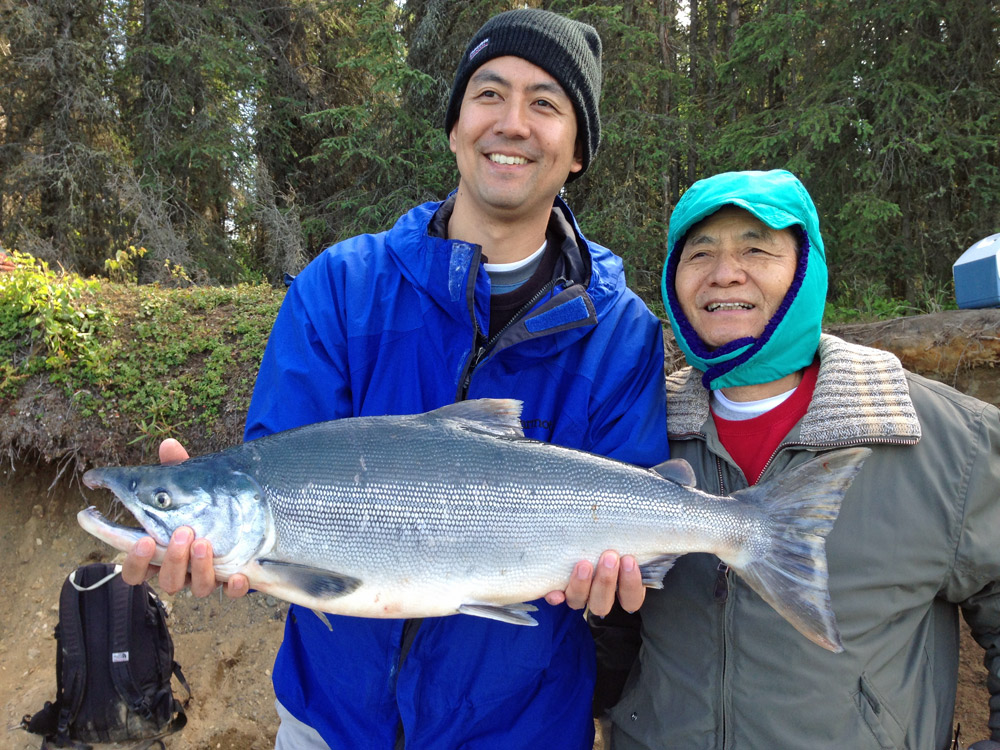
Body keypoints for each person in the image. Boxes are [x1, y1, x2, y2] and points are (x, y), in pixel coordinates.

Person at [122, 8, 669, 749]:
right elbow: (280, 466)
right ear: (453, 127)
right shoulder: (338, 288)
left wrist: (614, 592)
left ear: (577, 150)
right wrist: (211, 545)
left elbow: (631, 532)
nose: (511, 122)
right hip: (331, 727)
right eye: (488, 94)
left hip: (524, 731)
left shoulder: (621, 330)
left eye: (545, 104)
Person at [591, 169, 1000, 749]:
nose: (723, 271)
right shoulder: (638, 434)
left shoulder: (947, 440)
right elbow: (624, 637)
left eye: (756, 248)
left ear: (806, 269)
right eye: (698, 252)